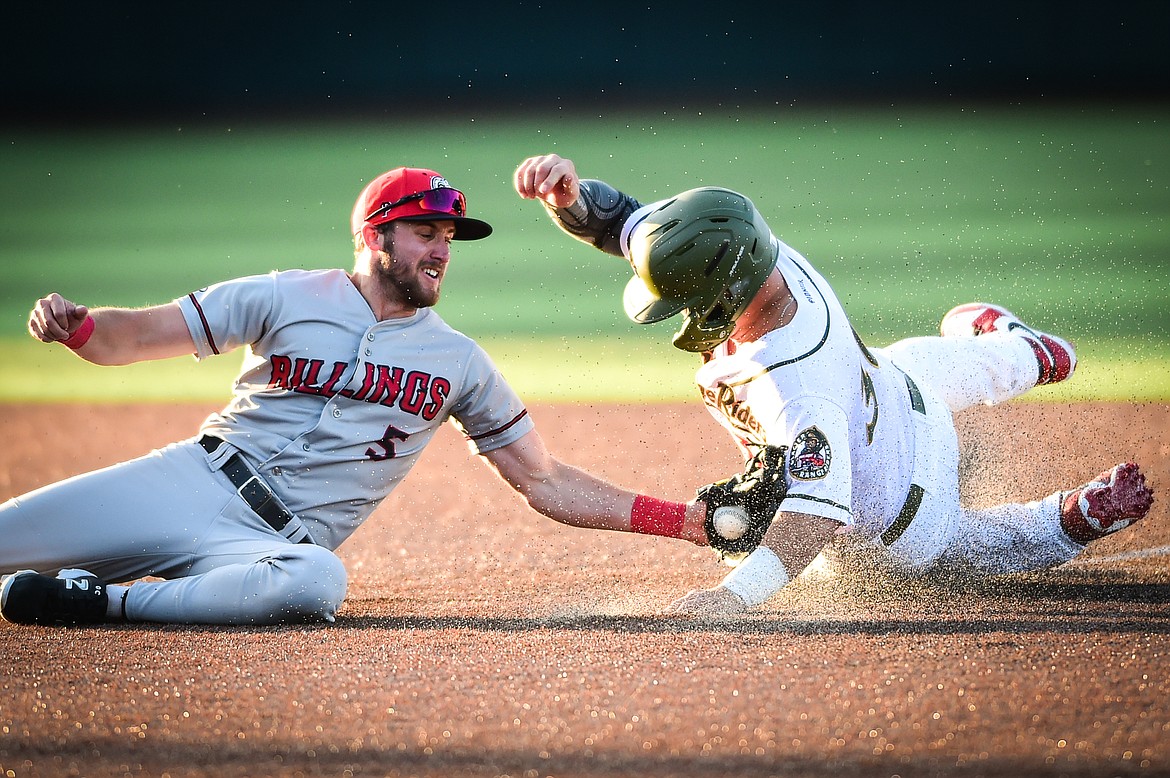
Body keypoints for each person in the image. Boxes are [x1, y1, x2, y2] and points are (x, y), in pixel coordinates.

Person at [0, 166, 713, 627]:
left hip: (278, 549)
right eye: (423, 233)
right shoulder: (283, 295)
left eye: (448, 238)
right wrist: (79, 325)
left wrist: (682, 521)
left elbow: (547, 480)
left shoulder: (460, 362)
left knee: (315, 585)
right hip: (190, 480)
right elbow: (127, 339)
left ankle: (104, 602)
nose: (440, 250)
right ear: (376, 238)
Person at [513, 153, 1155, 617]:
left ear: (724, 286)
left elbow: (813, 521)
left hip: (898, 520)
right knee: (927, 366)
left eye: (684, 298)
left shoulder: (797, 388)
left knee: (948, 555)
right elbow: (618, 219)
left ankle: (1068, 519)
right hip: (898, 386)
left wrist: (731, 599)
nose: (677, 310)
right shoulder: (749, 246)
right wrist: (569, 200)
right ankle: (1024, 354)